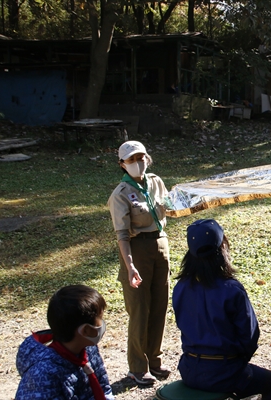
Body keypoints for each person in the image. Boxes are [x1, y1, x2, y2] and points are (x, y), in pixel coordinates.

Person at [173, 219, 271, 399]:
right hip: (225, 372)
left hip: (190, 369)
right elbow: (249, 336)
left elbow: (183, 325)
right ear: (222, 249)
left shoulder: (181, 287)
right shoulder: (231, 290)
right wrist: (235, 362)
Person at [107, 140, 171, 385]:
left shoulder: (156, 182)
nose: (138, 163)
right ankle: (137, 367)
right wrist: (130, 265)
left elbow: (168, 208)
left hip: (160, 245)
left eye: (141, 157)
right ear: (123, 165)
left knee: (159, 306)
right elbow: (122, 234)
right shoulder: (120, 194)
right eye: (131, 160)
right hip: (137, 248)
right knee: (139, 311)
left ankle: (155, 360)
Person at [15, 285, 114, 400]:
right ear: (85, 330)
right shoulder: (42, 376)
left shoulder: (88, 347)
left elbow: (103, 385)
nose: (103, 323)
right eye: (100, 318)